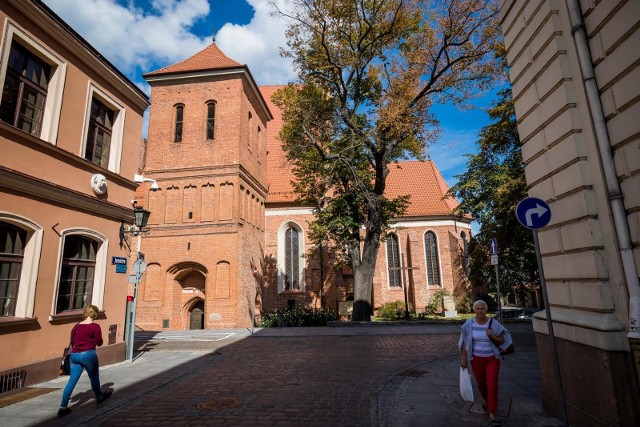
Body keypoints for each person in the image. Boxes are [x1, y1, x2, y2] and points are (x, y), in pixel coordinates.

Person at [458, 300, 512, 426]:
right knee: (481, 383)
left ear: (486, 310)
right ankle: (483, 398)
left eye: (482, 308)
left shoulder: (494, 323)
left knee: (492, 384)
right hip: (476, 359)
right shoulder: (468, 324)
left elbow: (501, 340)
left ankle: (492, 412)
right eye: (477, 309)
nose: (480, 311)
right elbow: (465, 343)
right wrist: (464, 359)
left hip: (492, 358)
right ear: (474, 310)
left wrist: (492, 335)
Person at [57, 305, 112, 417]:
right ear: (95, 314)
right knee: (94, 377)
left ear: (86, 313)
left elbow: (72, 342)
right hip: (88, 355)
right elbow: (99, 342)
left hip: (74, 355)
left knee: (72, 381)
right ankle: (99, 396)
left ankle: (63, 407)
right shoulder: (95, 326)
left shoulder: (76, 326)